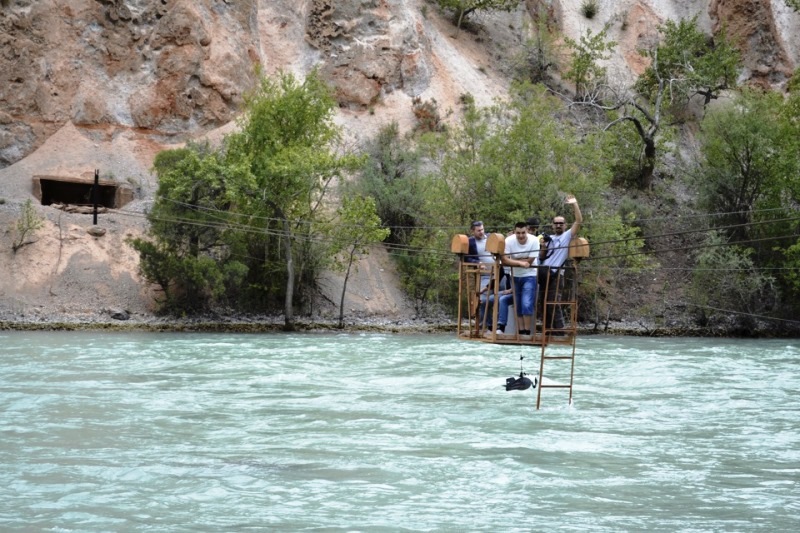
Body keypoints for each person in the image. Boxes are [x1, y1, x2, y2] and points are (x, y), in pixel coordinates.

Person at [538, 194, 582, 332]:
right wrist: (543, 246)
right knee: (543, 303)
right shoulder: (548, 238)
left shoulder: (567, 236)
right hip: (543, 273)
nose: (558, 225)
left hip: (557, 274)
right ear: (552, 225)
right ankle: (548, 330)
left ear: (565, 225)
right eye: (556, 223)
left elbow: (579, 221)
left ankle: (560, 330)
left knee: (554, 303)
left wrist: (574, 204)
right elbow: (541, 256)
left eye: (561, 223)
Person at [495, 221, 539, 336]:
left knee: (526, 302)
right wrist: (521, 262)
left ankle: (527, 332)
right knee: (518, 303)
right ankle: (521, 332)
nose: (520, 235)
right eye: (518, 233)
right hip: (515, 275)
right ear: (514, 232)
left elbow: (530, 261)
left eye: (523, 233)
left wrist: (513, 261)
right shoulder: (509, 241)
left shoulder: (534, 240)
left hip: (530, 275)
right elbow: (504, 260)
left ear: (527, 231)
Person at [465, 221, 498, 324]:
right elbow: (466, 258)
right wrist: (477, 262)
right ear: (473, 231)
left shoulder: (491, 238)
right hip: (485, 275)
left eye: (482, 229)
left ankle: (500, 325)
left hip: (499, 273)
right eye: (478, 230)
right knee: (483, 299)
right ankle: (485, 325)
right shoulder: (470, 241)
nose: (481, 232)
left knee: (501, 298)